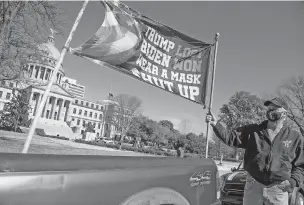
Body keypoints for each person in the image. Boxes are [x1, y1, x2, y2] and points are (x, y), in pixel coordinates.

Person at [206, 97, 304, 205]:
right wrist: (216, 125)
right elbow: (231, 137)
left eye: (275, 109)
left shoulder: (295, 137)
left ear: (284, 114)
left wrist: (293, 181)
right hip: (253, 184)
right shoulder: (254, 131)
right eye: (269, 108)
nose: (270, 111)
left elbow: (300, 165)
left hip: (278, 189)